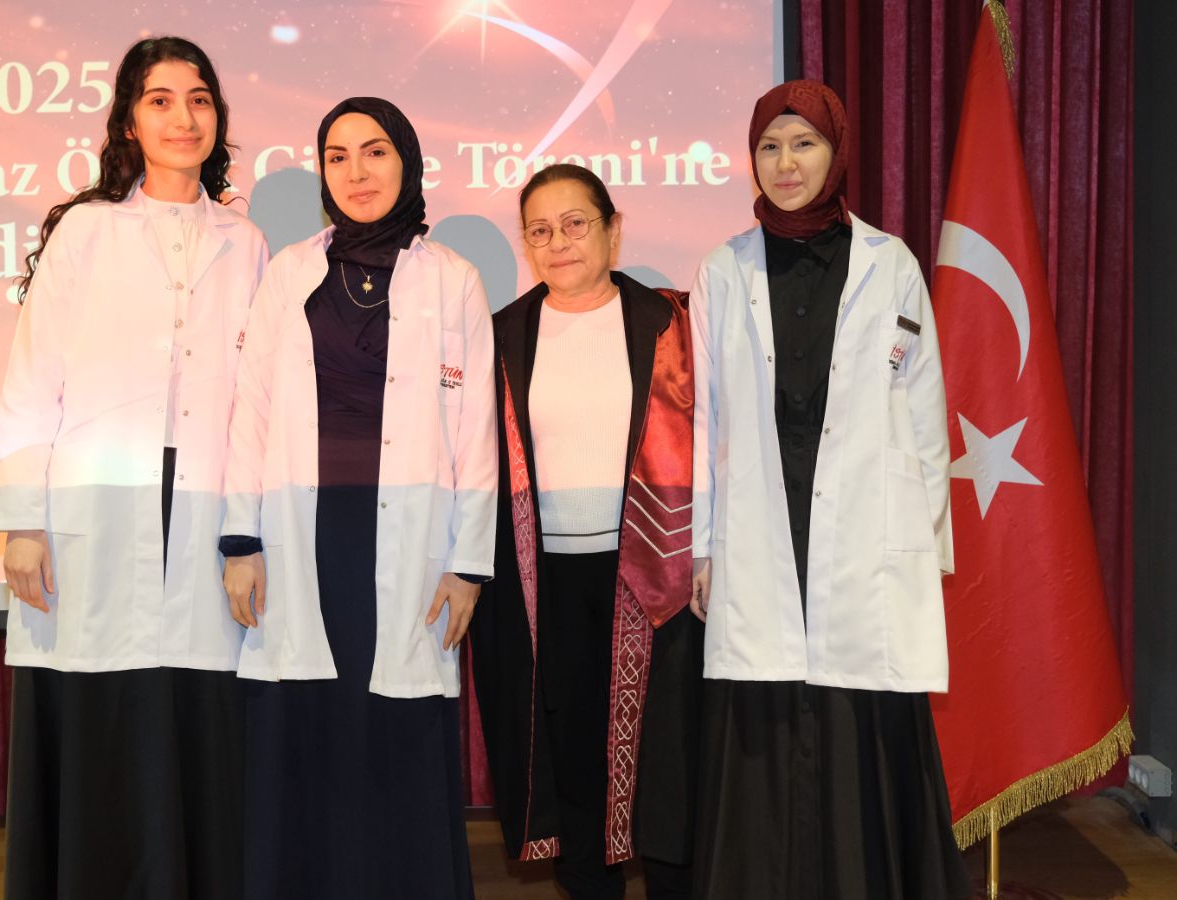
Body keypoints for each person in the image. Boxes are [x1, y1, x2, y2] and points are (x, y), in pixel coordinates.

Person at [0, 36, 268, 900]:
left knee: (197, 712)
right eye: (160, 99)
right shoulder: (87, 230)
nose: (183, 117)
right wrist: (23, 520)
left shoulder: (246, 241)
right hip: (97, 504)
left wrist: (247, 533)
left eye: (199, 99)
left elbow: (256, 401)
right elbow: (33, 378)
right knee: (99, 710)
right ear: (128, 122)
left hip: (205, 499)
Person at [688, 80, 971, 899]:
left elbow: (924, 409)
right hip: (761, 518)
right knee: (765, 711)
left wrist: (923, 546)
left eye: (804, 144)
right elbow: (705, 415)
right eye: (769, 147)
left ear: (836, 153)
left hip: (863, 525)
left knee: (861, 709)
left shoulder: (891, 263)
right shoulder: (722, 268)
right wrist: (702, 546)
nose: (786, 163)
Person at [220, 97, 496, 900]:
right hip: (304, 531)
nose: (356, 171)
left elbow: (477, 428)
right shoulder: (289, 273)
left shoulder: (453, 279)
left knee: (396, 729)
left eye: (374, 152)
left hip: (413, 538)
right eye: (337, 157)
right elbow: (251, 411)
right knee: (306, 725)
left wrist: (469, 564)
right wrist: (241, 540)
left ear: (406, 160)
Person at [471, 164, 701, 900]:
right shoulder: (503, 335)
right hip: (547, 583)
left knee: (666, 765)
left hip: (657, 575)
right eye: (540, 230)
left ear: (613, 229)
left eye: (576, 224)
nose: (559, 242)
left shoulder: (673, 323)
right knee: (572, 759)